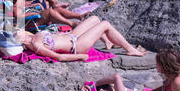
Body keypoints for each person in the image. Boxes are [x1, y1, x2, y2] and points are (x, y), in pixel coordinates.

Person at [13, 16, 147, 62]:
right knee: (105, 24)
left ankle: (108, 42)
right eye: (20, 32)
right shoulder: (36, 45)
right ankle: (130, 49)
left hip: (72, 35)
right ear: (21, 39)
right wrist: (82, 56)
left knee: (95, 19)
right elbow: (59, 57)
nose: (20, 29)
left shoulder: (31, 37)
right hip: (77, 45)